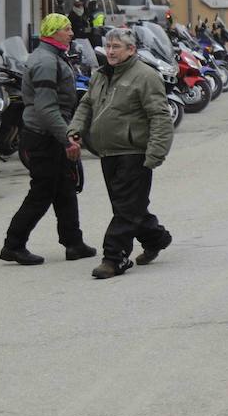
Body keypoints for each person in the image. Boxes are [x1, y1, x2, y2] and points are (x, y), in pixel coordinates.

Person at [67, 27, 174, 279]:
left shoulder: (146, 76)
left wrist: (156, 152)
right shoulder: (101, 74)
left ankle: (115, 258)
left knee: (125, 208)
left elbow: (160, 116)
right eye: (109, 46)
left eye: (117, 47)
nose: (111, 51)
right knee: (127, 205)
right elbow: (86, 104)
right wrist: (75, 129)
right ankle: (156, 237)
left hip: (134, 152)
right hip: (108, 151)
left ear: (131, 50)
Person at [1, 14, 96, 266]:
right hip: (43, 137)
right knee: (42, 192)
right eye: (66, 29)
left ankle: (73, 243)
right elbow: (46, 108)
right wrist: (67, 139)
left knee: (65, 189)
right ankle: (13, 245)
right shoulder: (45, 61)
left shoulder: (54, 56)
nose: (71, 33)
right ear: (53, 32)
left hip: (52, 134)